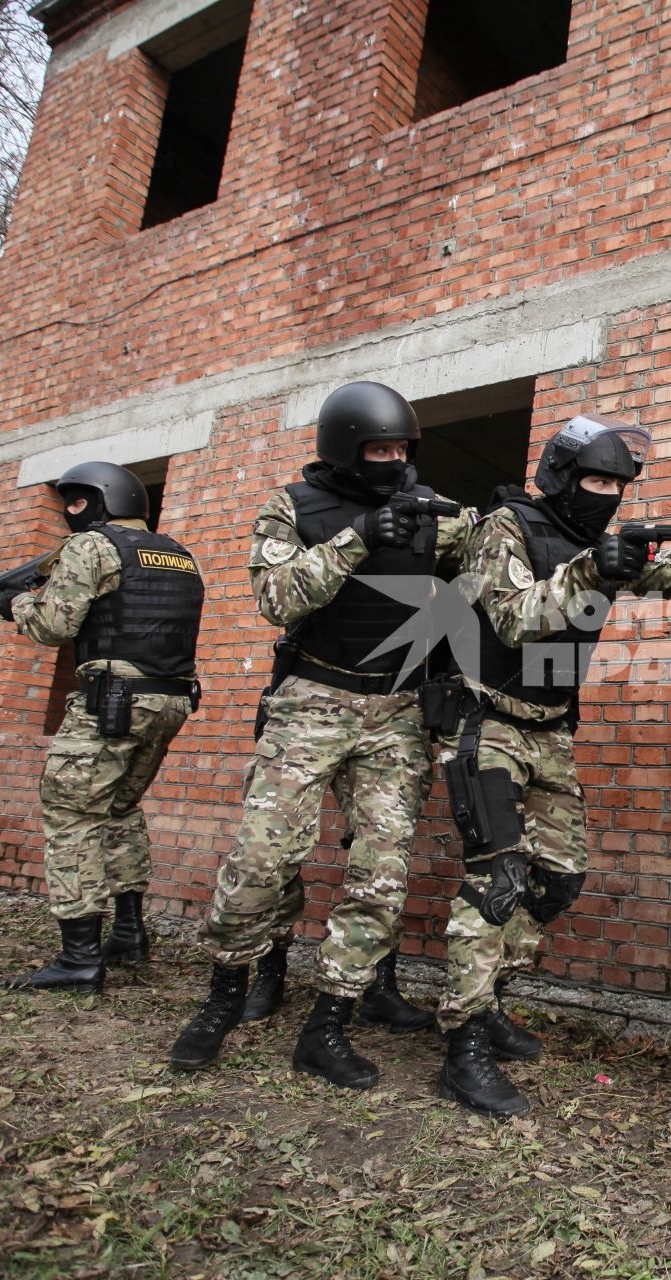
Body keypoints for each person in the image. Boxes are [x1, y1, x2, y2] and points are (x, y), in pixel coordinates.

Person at [166, 381, 474, 1090]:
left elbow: (493, 564)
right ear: (345, 448)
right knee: (261, 859)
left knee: (381, 874)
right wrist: (360, 537)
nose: (394, 460)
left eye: (403, 449)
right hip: (312, 700)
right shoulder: (293, 507)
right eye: (379, 449)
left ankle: (329, 1024)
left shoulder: (430, 514)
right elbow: (278, 598)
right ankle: (224, 997)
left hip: (395, 714)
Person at [428, 413, 671, 1118]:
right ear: (559, 474)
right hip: (486, 719)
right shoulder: (506, 527)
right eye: (595, 479)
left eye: (618, 484)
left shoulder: (595, 542)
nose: (607, 494)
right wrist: (593, 567)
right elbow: (514, 617)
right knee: (496, 880)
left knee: (559, 878)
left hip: (551, 729)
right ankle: (462, 1046)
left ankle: (489, 997)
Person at [0, 461, 204, 995]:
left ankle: (79, 958)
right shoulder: (179, 555)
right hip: (170, 702)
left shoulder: (91, 548)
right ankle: (130, 934)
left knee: (71, 818)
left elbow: (52, 626)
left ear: (103, 500)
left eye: (76, 501)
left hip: (112, 704)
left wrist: (15, 602)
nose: (70, 513)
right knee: (119, 809)